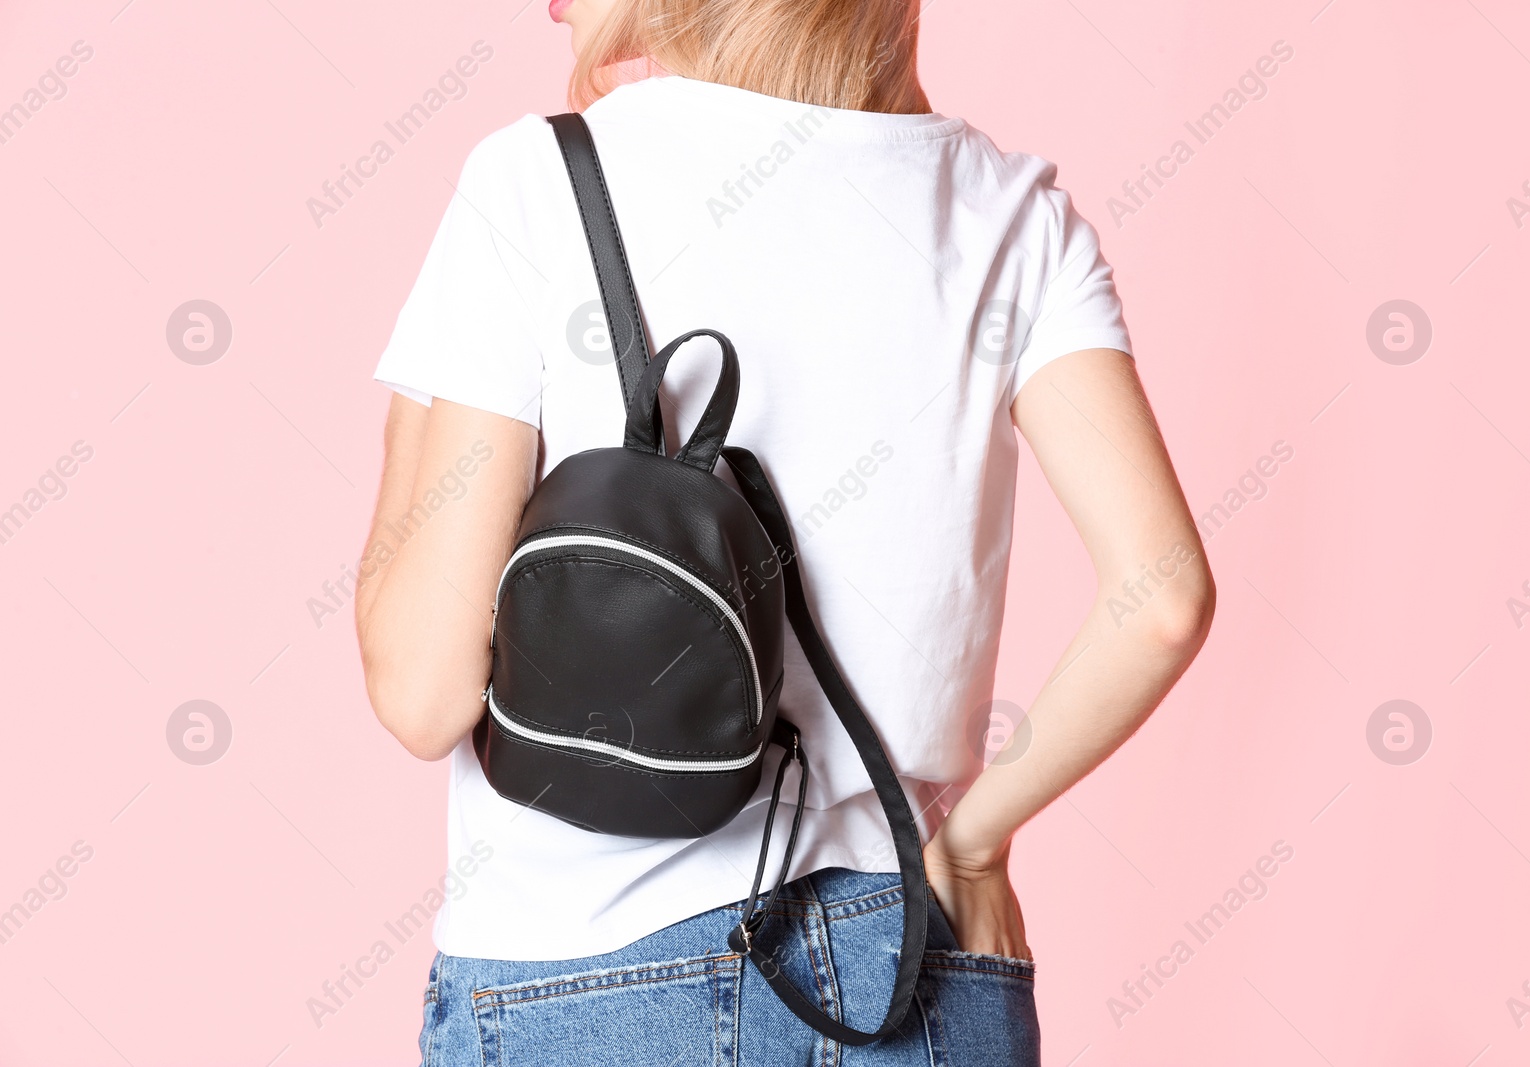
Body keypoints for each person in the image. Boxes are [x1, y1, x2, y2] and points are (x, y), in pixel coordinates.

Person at [355, 0, 1215, 1062]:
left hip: (579, 977)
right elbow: (1163, 596)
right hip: (904, 963)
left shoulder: (535, 182)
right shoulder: (1013, 215)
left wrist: (419, 411)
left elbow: (421, 689)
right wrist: (978, 844)